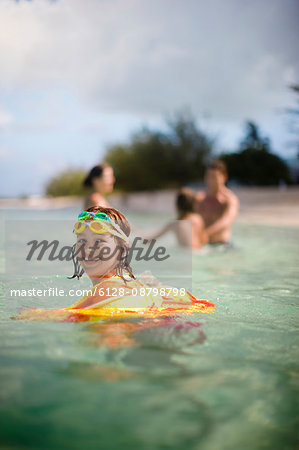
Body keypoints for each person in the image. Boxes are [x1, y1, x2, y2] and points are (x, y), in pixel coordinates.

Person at [13, 206, 215, 321]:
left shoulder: (104, 292)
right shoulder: (130, 282)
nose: (87, 249)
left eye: (99, 242)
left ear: (122, 249)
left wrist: (28, 315)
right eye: (82, 241)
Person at [140, 188, 206, 249]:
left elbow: (148, 240)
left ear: (177, 205)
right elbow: (204, 240)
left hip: (186, 255)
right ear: (192, 204)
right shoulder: (198, 218)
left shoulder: (174, 224)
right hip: (200, 253)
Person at [195, 160, 239, 245]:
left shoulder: (230, 199)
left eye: (214, 177)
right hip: (204, 243)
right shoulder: (200, 198)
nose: (210, 180)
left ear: (224, 177)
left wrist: (205, 233)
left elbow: (227, 220)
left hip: (222, 244)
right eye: (208, 176)